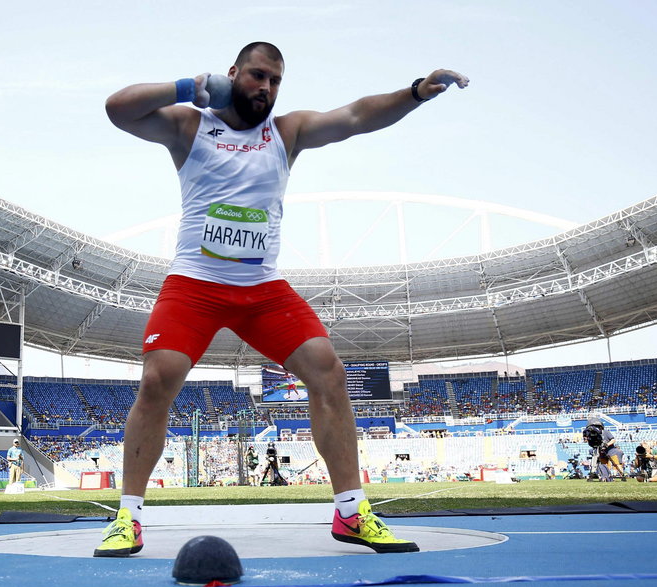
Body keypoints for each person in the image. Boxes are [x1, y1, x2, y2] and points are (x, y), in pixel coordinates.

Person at [94, 41, 468, 558]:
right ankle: (127, 518)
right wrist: (188, 88)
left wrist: (416, 93)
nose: (265, 88)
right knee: (157, 378)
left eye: (274, 80)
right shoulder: (189, 126)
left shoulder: (286, 133)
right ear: (232, 74)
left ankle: (351, 513)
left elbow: (357, 116)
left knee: (328, 371)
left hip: (263, 289)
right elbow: (118, 109)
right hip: (196, 284)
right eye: (256, 76)